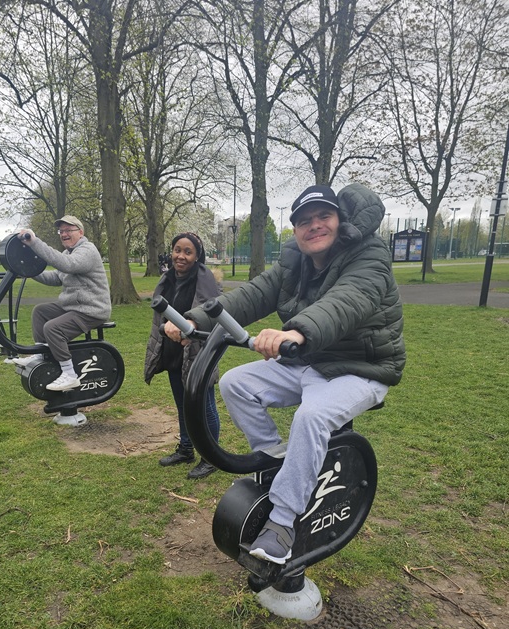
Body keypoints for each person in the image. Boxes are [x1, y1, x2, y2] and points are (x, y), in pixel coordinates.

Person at [166, 183, 405, 562]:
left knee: (312, 417)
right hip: (310, 358)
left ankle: (283, 520)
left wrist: (297, 332)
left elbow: (348, 301)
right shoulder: (295, 259)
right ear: (295, 229)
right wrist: (193, 319)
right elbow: (254, 294)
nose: (315, 225)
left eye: (323, 216)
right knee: (236, 383)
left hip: (363, 367)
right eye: (305, 221)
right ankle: (276, 465)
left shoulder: (369, 254)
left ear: (340, 220)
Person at [145, 232, 222, 480]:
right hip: (173, 352)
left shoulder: (204, 281)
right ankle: (186, 449)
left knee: (205, 407)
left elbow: (212, 319)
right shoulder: (167, 279)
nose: (181, 256)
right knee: (182, 405)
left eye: (188, 252)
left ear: (197, 256)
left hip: (198, 353)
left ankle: (211, 457)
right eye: (177, 250)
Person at [14, 216, 111, 392]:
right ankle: (41, 355)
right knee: (40, 311)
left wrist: (35, 243)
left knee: (53, 328)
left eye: (68, 230)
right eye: (61, 231)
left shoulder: (87, 251)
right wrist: (28, 271)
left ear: (80, 232)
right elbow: (55, 277)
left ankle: (69, 375)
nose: (64, 234)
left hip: (92, 310)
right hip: (73, 307)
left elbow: (68, 265)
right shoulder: (68, 253)